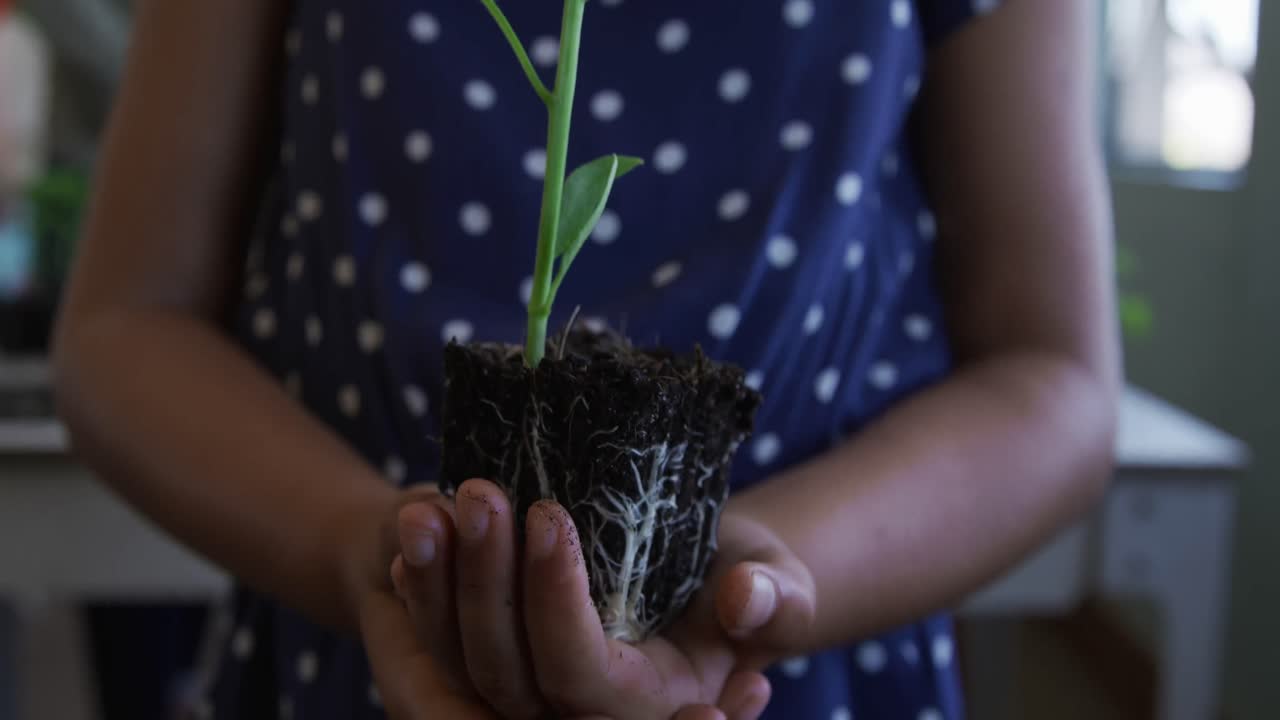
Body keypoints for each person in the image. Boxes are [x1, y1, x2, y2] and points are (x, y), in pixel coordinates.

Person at [52, 0, 1120, 718]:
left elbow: (1051, 375)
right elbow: (126, 325)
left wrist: (763, 576)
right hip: (363, 649)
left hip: (798, 658)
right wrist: (357, 550)